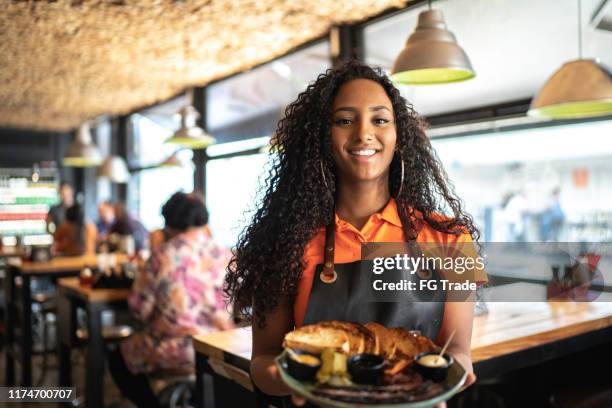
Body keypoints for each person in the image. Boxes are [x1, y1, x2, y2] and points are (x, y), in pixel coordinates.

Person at [224, 61, 484, 404]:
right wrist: (284, 377)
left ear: (398, 135)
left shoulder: (453, 239)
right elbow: (263, 361)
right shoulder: (282, 243)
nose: (363, 133)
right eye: (345, 120)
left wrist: (454, 373)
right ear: (321, 137)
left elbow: (459, 350)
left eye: (380, 119)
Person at [108, 192, 233, 407]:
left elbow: (139, 309)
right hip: (218, 347)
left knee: (118, 358)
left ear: (170, 223)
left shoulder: (162, 255)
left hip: (176, 350)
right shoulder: (225, 254)